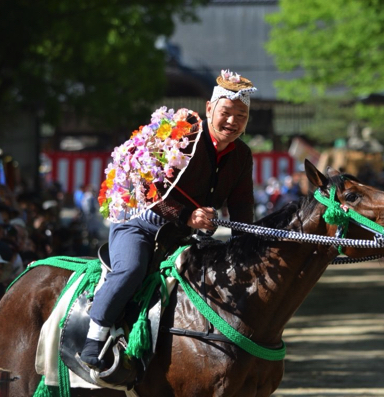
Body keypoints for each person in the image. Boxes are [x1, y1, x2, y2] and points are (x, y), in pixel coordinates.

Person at [80, 69, 257, 369]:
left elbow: (241, 205)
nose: (233, 121)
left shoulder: (242, 155)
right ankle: (94, 337)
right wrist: (189, 216)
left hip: (189, 237)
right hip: (140, 224)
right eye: (226, 112)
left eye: (241, 116)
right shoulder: (183, 136)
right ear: (209, 108)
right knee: (132, 268)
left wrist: (247, 245)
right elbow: (151, 191)